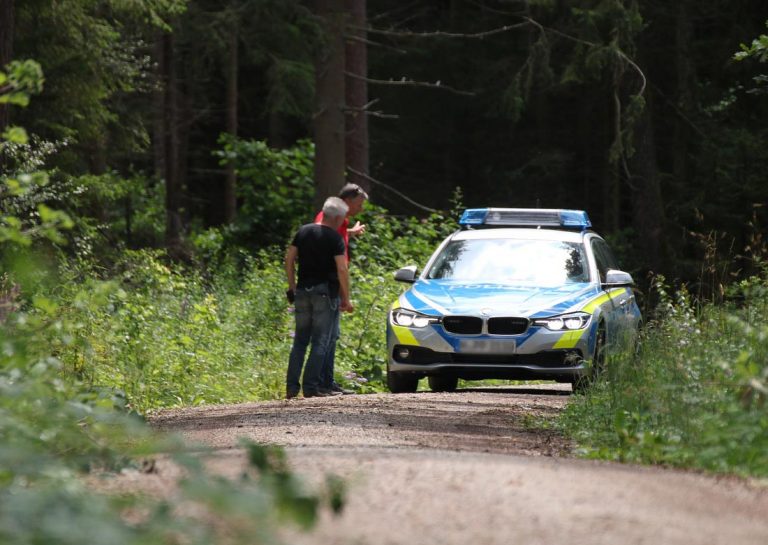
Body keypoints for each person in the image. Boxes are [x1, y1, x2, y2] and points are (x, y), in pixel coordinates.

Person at [285, 197, 354, 399]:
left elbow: (289, 259)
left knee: (300, 341)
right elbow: (342, 269)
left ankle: (291, 387)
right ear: (338, 218)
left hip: (302, 291)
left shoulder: (303, 232)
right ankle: (310, 387)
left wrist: (292, 286)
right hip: (325, 293)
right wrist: (346, 298)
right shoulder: (335, 238)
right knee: (320, 341)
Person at [314, 183, 369, 394]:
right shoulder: (328, 219)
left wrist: (351, 232)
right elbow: (322, 240)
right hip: (327, 284)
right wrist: (345, 295)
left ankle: (327, 382)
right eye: (358, 204)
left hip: (332, 284)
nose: (360, 209)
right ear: (347, 201)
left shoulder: (341, 222)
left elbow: (334, 236)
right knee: (326, 336)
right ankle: (320, 383)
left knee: (332, 335)